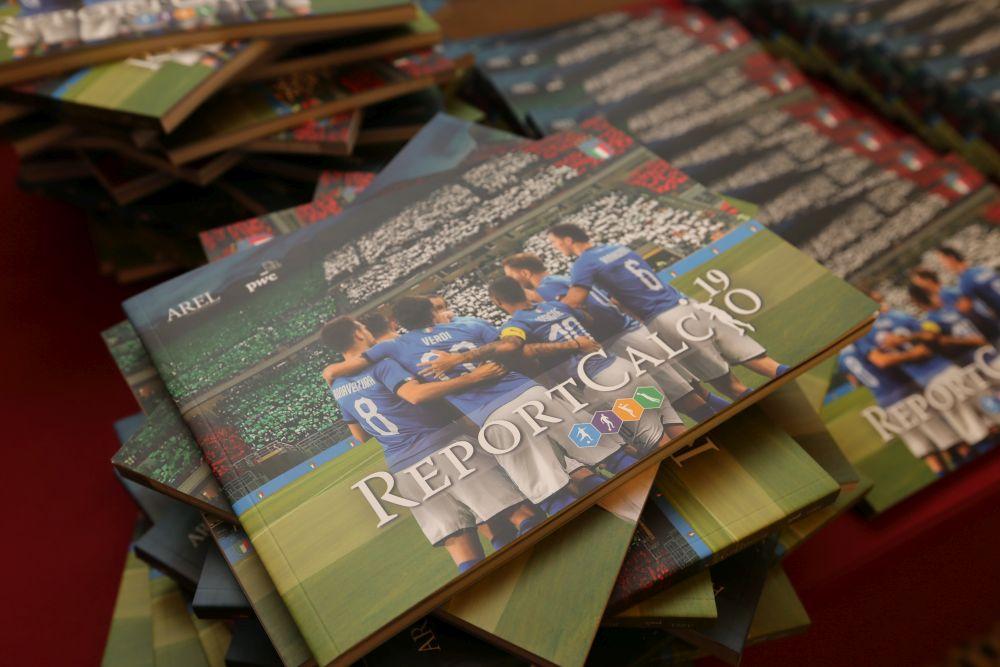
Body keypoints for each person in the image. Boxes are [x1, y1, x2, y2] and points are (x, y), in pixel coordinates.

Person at [321, 316, 537, 572]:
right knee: (519, 513)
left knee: (461, 545)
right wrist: (473, 378)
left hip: (403, 469)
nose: (368, 332)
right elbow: (415, 395)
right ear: (358, 333)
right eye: (364, 328)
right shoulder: (383, 364)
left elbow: (359, 435)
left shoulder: (338, 387)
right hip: (443, 449)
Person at [425, 276, 686, 454]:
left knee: (656, 440)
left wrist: (459, 358)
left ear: (497, 302)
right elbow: (587, 319)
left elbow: (515, 347)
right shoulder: (555, 306)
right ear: (522, 290)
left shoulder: (516, 324)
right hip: (623, 367)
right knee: (673, 423)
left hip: (602, 382)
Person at [544, 223, 788, 399]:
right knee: (762, 361)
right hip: (688, 305)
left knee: (729, 386)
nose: (556, 248)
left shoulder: (584, 263)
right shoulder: (618, 247)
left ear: (568, 240)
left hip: (666, 319)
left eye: (555, 243)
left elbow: (574, 301)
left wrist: (548, 308)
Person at [502, 252, 729, 420]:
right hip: (630, 332)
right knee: (688, 389)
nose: (510, 281)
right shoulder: (560, 279)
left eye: (510, 276)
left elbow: (589, 314)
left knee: (680, 397)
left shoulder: (546, 289)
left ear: (524, 273)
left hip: (621, 338)